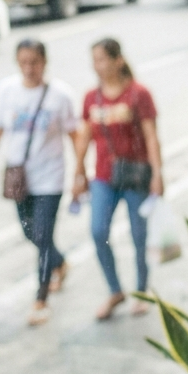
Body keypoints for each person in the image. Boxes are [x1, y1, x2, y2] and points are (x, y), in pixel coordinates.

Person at [0, 39, 79, 326]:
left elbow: (75, 133)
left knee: (44, 236)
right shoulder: (7, 90)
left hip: (50, 178)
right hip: (20, 177)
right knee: (30, 234)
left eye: (34, 62)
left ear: (44, 62)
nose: (28, 69)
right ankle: (60, 262)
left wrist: (80, 171)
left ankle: (41, 297)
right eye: (23, 62)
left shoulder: (59, 95)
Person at [72, 38, 164, 319]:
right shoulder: (91, 97)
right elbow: (85, 136)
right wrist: (78, 172)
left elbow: (151, 136)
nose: (97, 66)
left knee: (139, 236)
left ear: (117, 60)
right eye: (94, 60)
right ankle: (114, 290)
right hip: (103, 176)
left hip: (136, 175)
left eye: (101, 59)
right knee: (98, 231)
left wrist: (157, 175)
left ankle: (140, 290)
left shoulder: (138, 94)